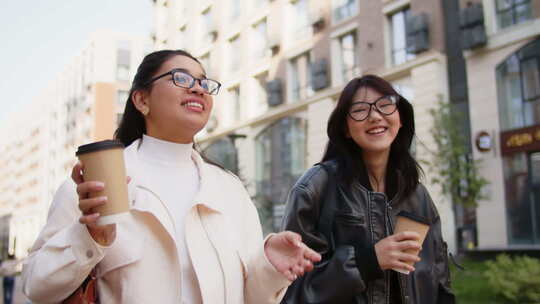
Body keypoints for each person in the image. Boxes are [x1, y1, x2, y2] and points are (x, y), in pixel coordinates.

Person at [22, 49, 321, 304]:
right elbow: (37, 286)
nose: (197, 88)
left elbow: (251, 295)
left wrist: (269, 266)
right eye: (181, 78)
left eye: (203, 82)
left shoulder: (229, 189)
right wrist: (90, 237)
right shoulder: (96, 185)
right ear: (141, 100)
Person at [280, 75, 455, 303]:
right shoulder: (315, 187)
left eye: (385, 105)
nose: (375, 116)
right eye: (360, 110)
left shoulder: (416, 193)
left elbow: (439, 280)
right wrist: (367, 261)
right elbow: (290, 290)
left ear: (400, 118)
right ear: (345, 128)